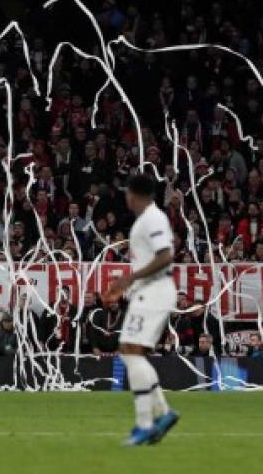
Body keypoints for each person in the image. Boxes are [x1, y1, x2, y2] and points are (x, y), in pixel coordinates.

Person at [102, 174, 179, 447]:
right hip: (149, 290)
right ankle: (163, 412)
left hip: (155, 289)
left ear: (134, 194)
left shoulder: (152, 218)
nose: (126, 198)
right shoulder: (148, 218)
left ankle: (145, 423)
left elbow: (166, 255)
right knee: (132, 352)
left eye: (127, 193)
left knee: (130, 351)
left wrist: (130, 279)